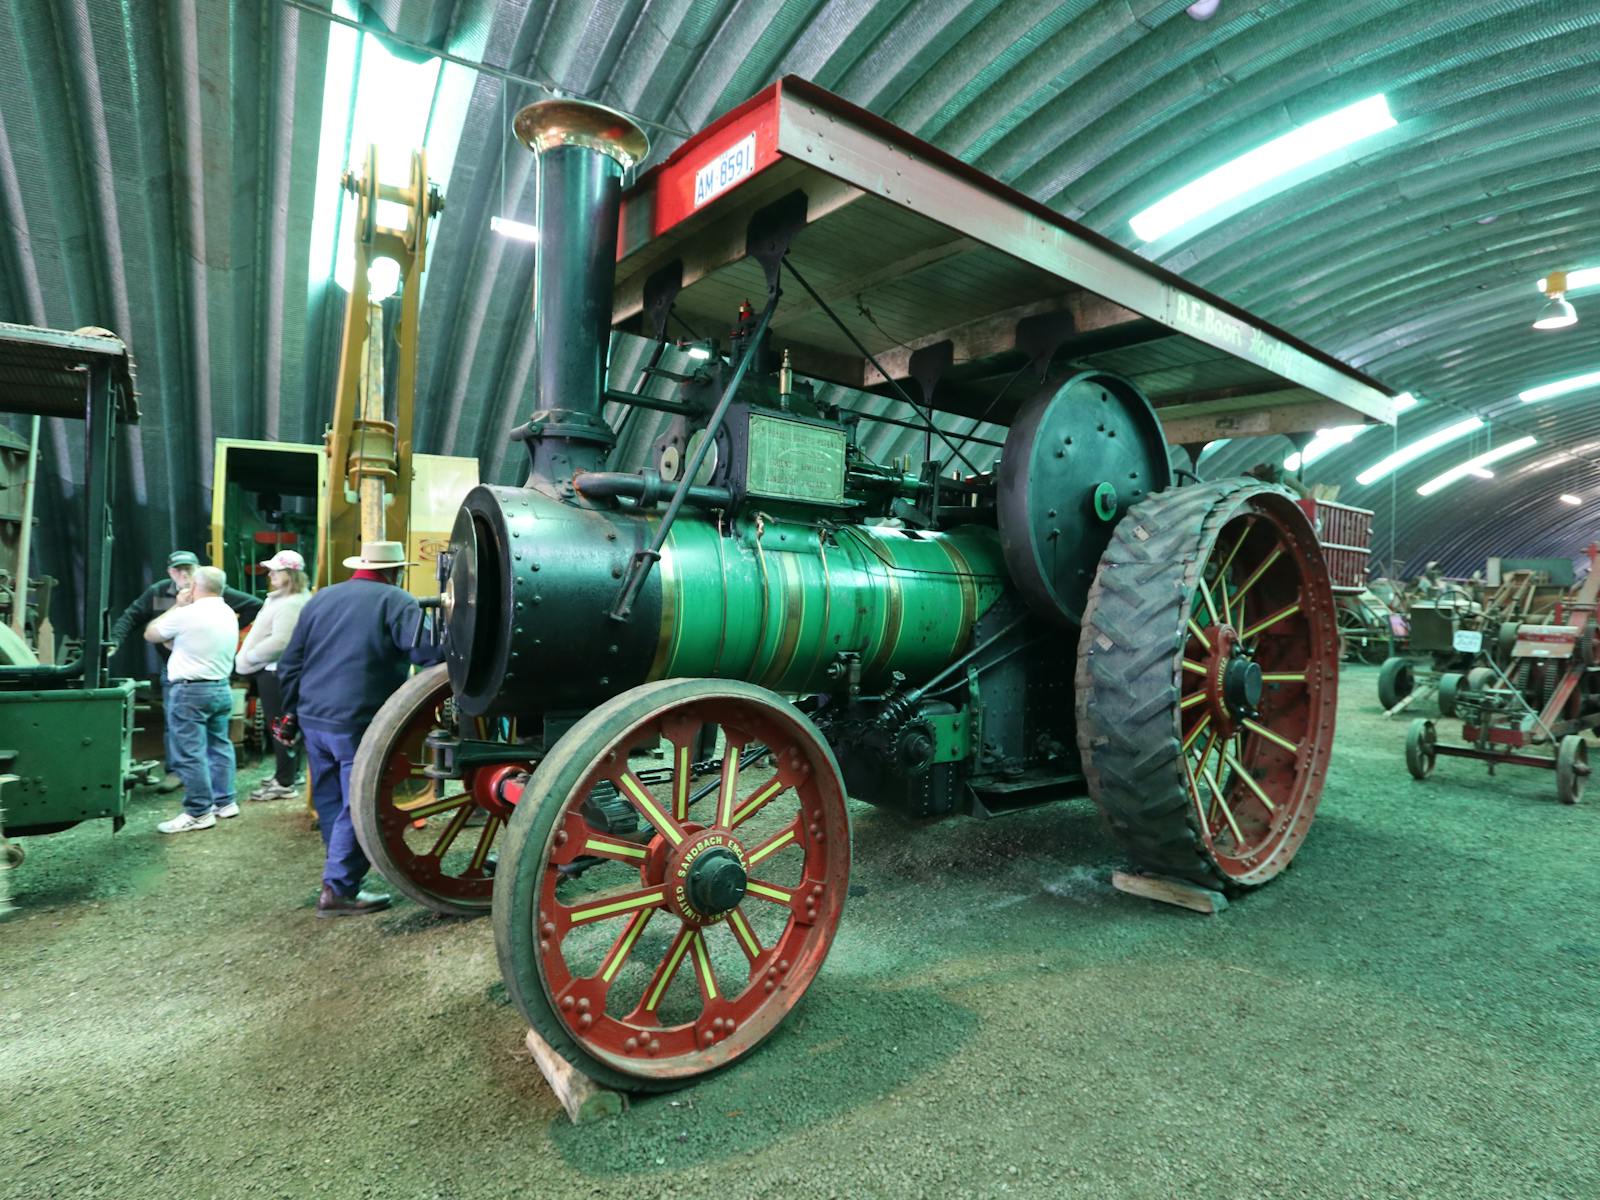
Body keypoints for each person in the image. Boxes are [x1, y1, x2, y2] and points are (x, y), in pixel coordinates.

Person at [276, 541, 444, 917]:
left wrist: (290, 713)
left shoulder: (321, 598)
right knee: (360, 804)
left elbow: (290, 663)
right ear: (395, 570)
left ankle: (338, 874)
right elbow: (428, 653)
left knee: (331, 798)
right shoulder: (396, 600)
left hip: (314, 718)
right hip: (359, 721)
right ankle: (338, 889)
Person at [112, 550, 262, 792]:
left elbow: (255, 605)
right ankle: (178, 773)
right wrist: (115, 641)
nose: (183, 574)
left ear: (197, 570)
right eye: (177, 569)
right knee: (177, 724)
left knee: (201, 733)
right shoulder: (159, 592)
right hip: (174, 669)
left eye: (188, 569)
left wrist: (233, 627)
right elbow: (131, 617)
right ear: (169, 573)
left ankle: (199, 801)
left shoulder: (211, 593)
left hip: (202, 671)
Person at [146, 566, 242, 834]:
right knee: (219, 746)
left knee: (191, 753)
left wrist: (176, 606)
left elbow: (152, 633)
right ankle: (225, 802)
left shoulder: (187, 613)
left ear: (196, 587)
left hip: (190, 691)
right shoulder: (227, 613)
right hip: (220, 688)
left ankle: (198, 811)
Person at [234, 549, 312, 801]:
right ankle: (290, 772)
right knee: (283, 724)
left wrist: (250, 657)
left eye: (275, 570)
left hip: (276, 672)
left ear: (289, 574)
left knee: (279, 726)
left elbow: (281, 641)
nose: (270, 574)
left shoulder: (290, 603)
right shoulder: (285, 599)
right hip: (274, 670)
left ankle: (284, 781)